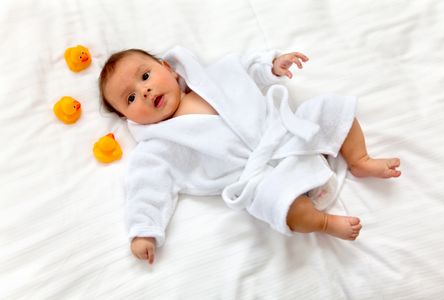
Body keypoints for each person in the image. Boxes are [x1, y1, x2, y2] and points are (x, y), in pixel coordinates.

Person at [99, 46, 401, 265]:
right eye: (131, 98)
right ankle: (323, 222)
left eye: (146, 75)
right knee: (278, 205)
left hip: (286, 133)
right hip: (260, 177)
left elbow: (244, 68)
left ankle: (359, 159)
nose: (146, 91)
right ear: (130, 118)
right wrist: (144, 232)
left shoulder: (211, 77)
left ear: (167, 67)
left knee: (331, 110)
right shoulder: (158, 146)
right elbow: (146, 187)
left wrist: (272, 65)